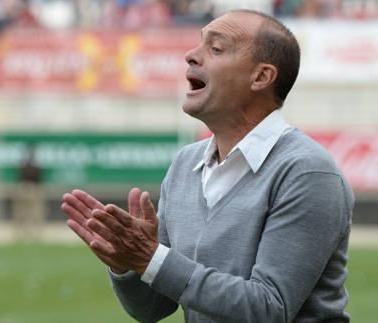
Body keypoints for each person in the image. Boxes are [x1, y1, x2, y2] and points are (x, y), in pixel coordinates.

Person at [61, 9, 354, 322]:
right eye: (199, 45)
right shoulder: (186, 164)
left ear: (261, 77)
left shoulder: (306, 172)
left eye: (216, 49)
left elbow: (268, 308)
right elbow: (153, 308)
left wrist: (150, 259)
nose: (191, 55)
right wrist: (125, 265)